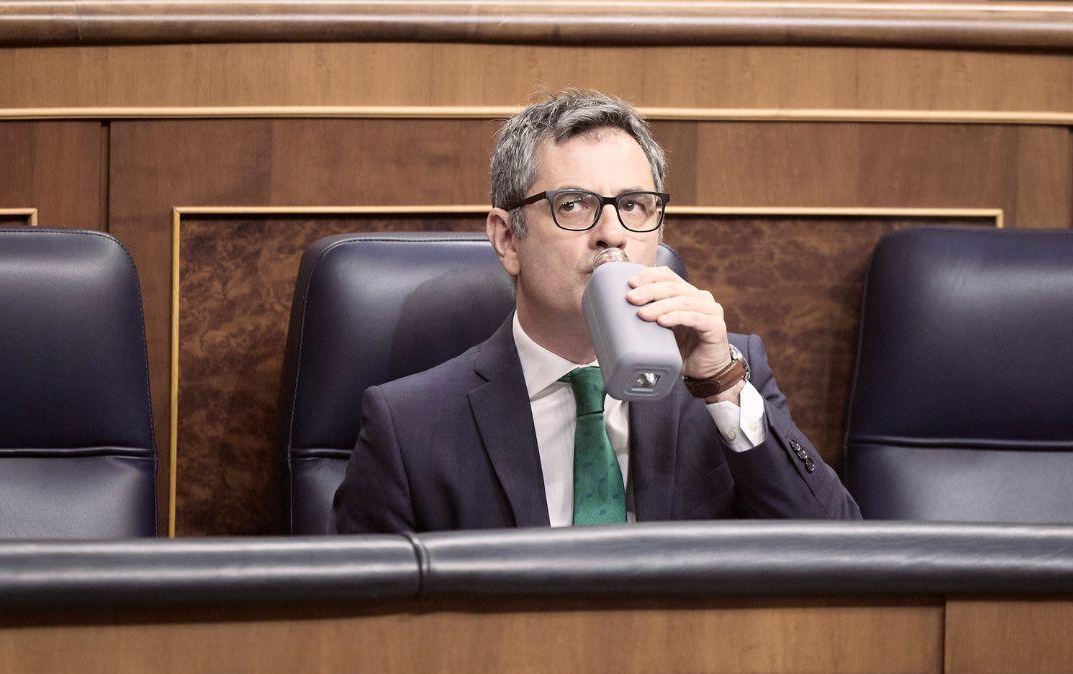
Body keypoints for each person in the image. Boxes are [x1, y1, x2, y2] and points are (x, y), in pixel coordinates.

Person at [334, 89, 861, 533]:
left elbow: (845, 560)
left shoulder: (725, 375)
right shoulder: (408, 424)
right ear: (507, 239)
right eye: (574, 205)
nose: (611, 234)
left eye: (633, 206)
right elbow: (355, 633)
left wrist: (721, 388)